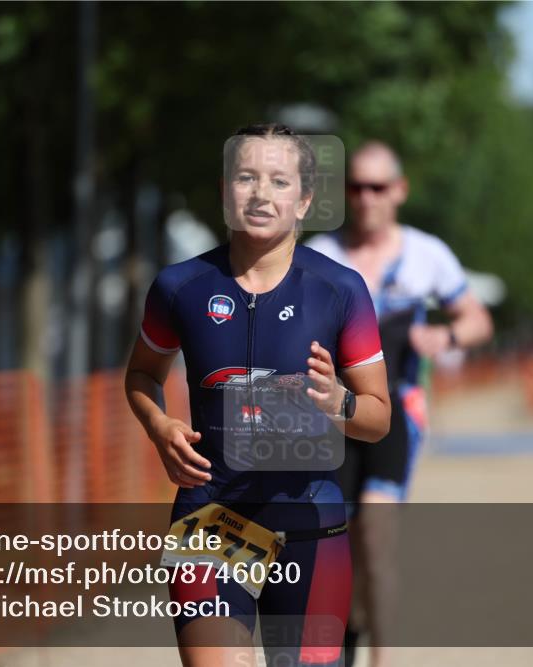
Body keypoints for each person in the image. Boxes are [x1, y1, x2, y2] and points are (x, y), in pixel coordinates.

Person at [125, 123, 392, 667]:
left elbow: (378, 417)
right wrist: (161, 428)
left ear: (305, 200)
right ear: (225, 191)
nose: (260, 193)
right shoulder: (181, 287)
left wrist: (338, 402)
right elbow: (141, 376)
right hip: (210, 519)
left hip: (310, 525)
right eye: (245, 177)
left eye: (278, 180)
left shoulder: (340, 290)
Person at [306, 141, 493, 667]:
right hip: (332, 418)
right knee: (336, 545)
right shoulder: (322, 255)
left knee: (378, 540)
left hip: (395, 412)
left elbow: (478, 318)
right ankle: (350, 627)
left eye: (378, 187)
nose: (366, 198)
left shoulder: (426, 253)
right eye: (356, 187)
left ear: (400, 191)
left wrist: (446, 337)